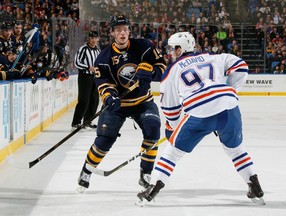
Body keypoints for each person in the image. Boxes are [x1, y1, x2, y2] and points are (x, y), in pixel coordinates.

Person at [137, 32, 265, 205]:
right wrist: (230, 90)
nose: (169, 53)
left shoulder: (172, 70)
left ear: (180, 48)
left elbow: (170, 107)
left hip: (199, 110)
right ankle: (254, 185)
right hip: (228, 106)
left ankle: (152, 189)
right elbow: (240, 65)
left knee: (172, 152)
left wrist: (172, 129)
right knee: (236, 149)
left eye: (172, 48)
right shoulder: (213, 56)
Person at [76, 15, 166, 193]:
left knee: (153, 129)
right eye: (118, 30)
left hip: (142, 101)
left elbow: (161, 67)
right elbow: (102, 82)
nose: (122, 33)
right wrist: (110, 96)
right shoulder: (103, 57)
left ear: (129, 31)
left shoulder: (144, 47)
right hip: (118, 105)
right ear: (112, 33)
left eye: (125, 29)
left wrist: (151, 72)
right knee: (104, 139)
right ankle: (86, 171)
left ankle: (145, 173)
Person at [71, 31, 101, 130]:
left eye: (95, 38)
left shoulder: (98, 50)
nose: (93, 40)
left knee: (94, 101)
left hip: (95, 78)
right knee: (84, 100)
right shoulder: (83, 49)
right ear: (89, 38)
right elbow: (76, 63)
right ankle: (76, 122)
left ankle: (88, 121)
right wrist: (88, 67)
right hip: (84, 77)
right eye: (92, 38)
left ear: (98, 39)